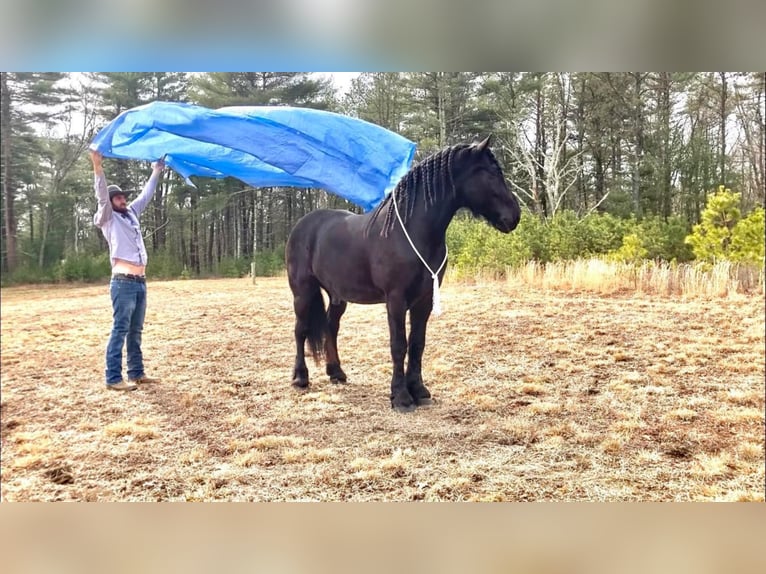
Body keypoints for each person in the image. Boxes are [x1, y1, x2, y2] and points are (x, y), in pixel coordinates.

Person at [91, 150, 166, 391]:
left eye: (123, 197)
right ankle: (113, 378)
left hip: (140, 282)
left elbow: (146, 194)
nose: (123, 200)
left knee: (135, 330)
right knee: (120, 328)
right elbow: (102, 196)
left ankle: (137, 373)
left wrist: (156, 170)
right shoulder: (108, 217)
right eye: (119, 198)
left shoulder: (131, 213)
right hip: (122, 283)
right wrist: (97, 167)